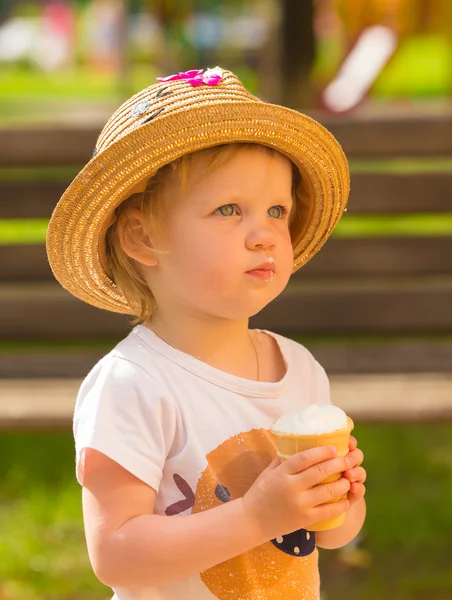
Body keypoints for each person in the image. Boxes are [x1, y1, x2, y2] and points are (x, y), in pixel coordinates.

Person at [45, 67, 367, 600]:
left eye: (276, 211)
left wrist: (338, 498)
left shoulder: (300, 369)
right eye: (228, 210)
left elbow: (335, 536)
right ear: (143, 237)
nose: (264, 233)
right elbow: (115, 553)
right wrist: (258, 515)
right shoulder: (133, 384)